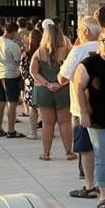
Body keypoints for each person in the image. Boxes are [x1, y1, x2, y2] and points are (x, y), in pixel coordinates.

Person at [74, 25, 105, 208]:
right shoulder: (90, 63)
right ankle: (103, 194)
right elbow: (78, 88)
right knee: (102, 158)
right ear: (99, 43)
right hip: (99, 119)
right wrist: (83, 112)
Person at [60, 16, 102, 195]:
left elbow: (62, 77)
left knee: (86, 148)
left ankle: (90, 185)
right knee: (104, 147)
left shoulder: (79, 51)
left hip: (81, 107)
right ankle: (104, 183)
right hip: (104, 106)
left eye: (78, 30)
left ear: (85, 31)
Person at [30, 25, 73, 161]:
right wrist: (61, 84)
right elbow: (74, 71)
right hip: (63, 90)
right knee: (65, 122)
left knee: (48, 124)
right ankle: (69, 152)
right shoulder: (67, 51)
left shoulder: (40, 51)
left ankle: (46, 153)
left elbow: (34, 72)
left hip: (44, 91)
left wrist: (48, 84)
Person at [0, 22, 25, 138]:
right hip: (11, 75)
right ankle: (11, 130)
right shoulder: (12, 45)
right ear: (14, 32)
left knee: (1, 102)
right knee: (12, 103)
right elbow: (17, 61)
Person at [20, 26, 44, 135]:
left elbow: (22, 69)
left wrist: (26, 78)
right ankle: (48, 131)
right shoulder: (44, 52)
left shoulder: (26, 53)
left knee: (32, 108)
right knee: (44, 108)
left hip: (30, 83)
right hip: (43, 81)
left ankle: (33, 133)